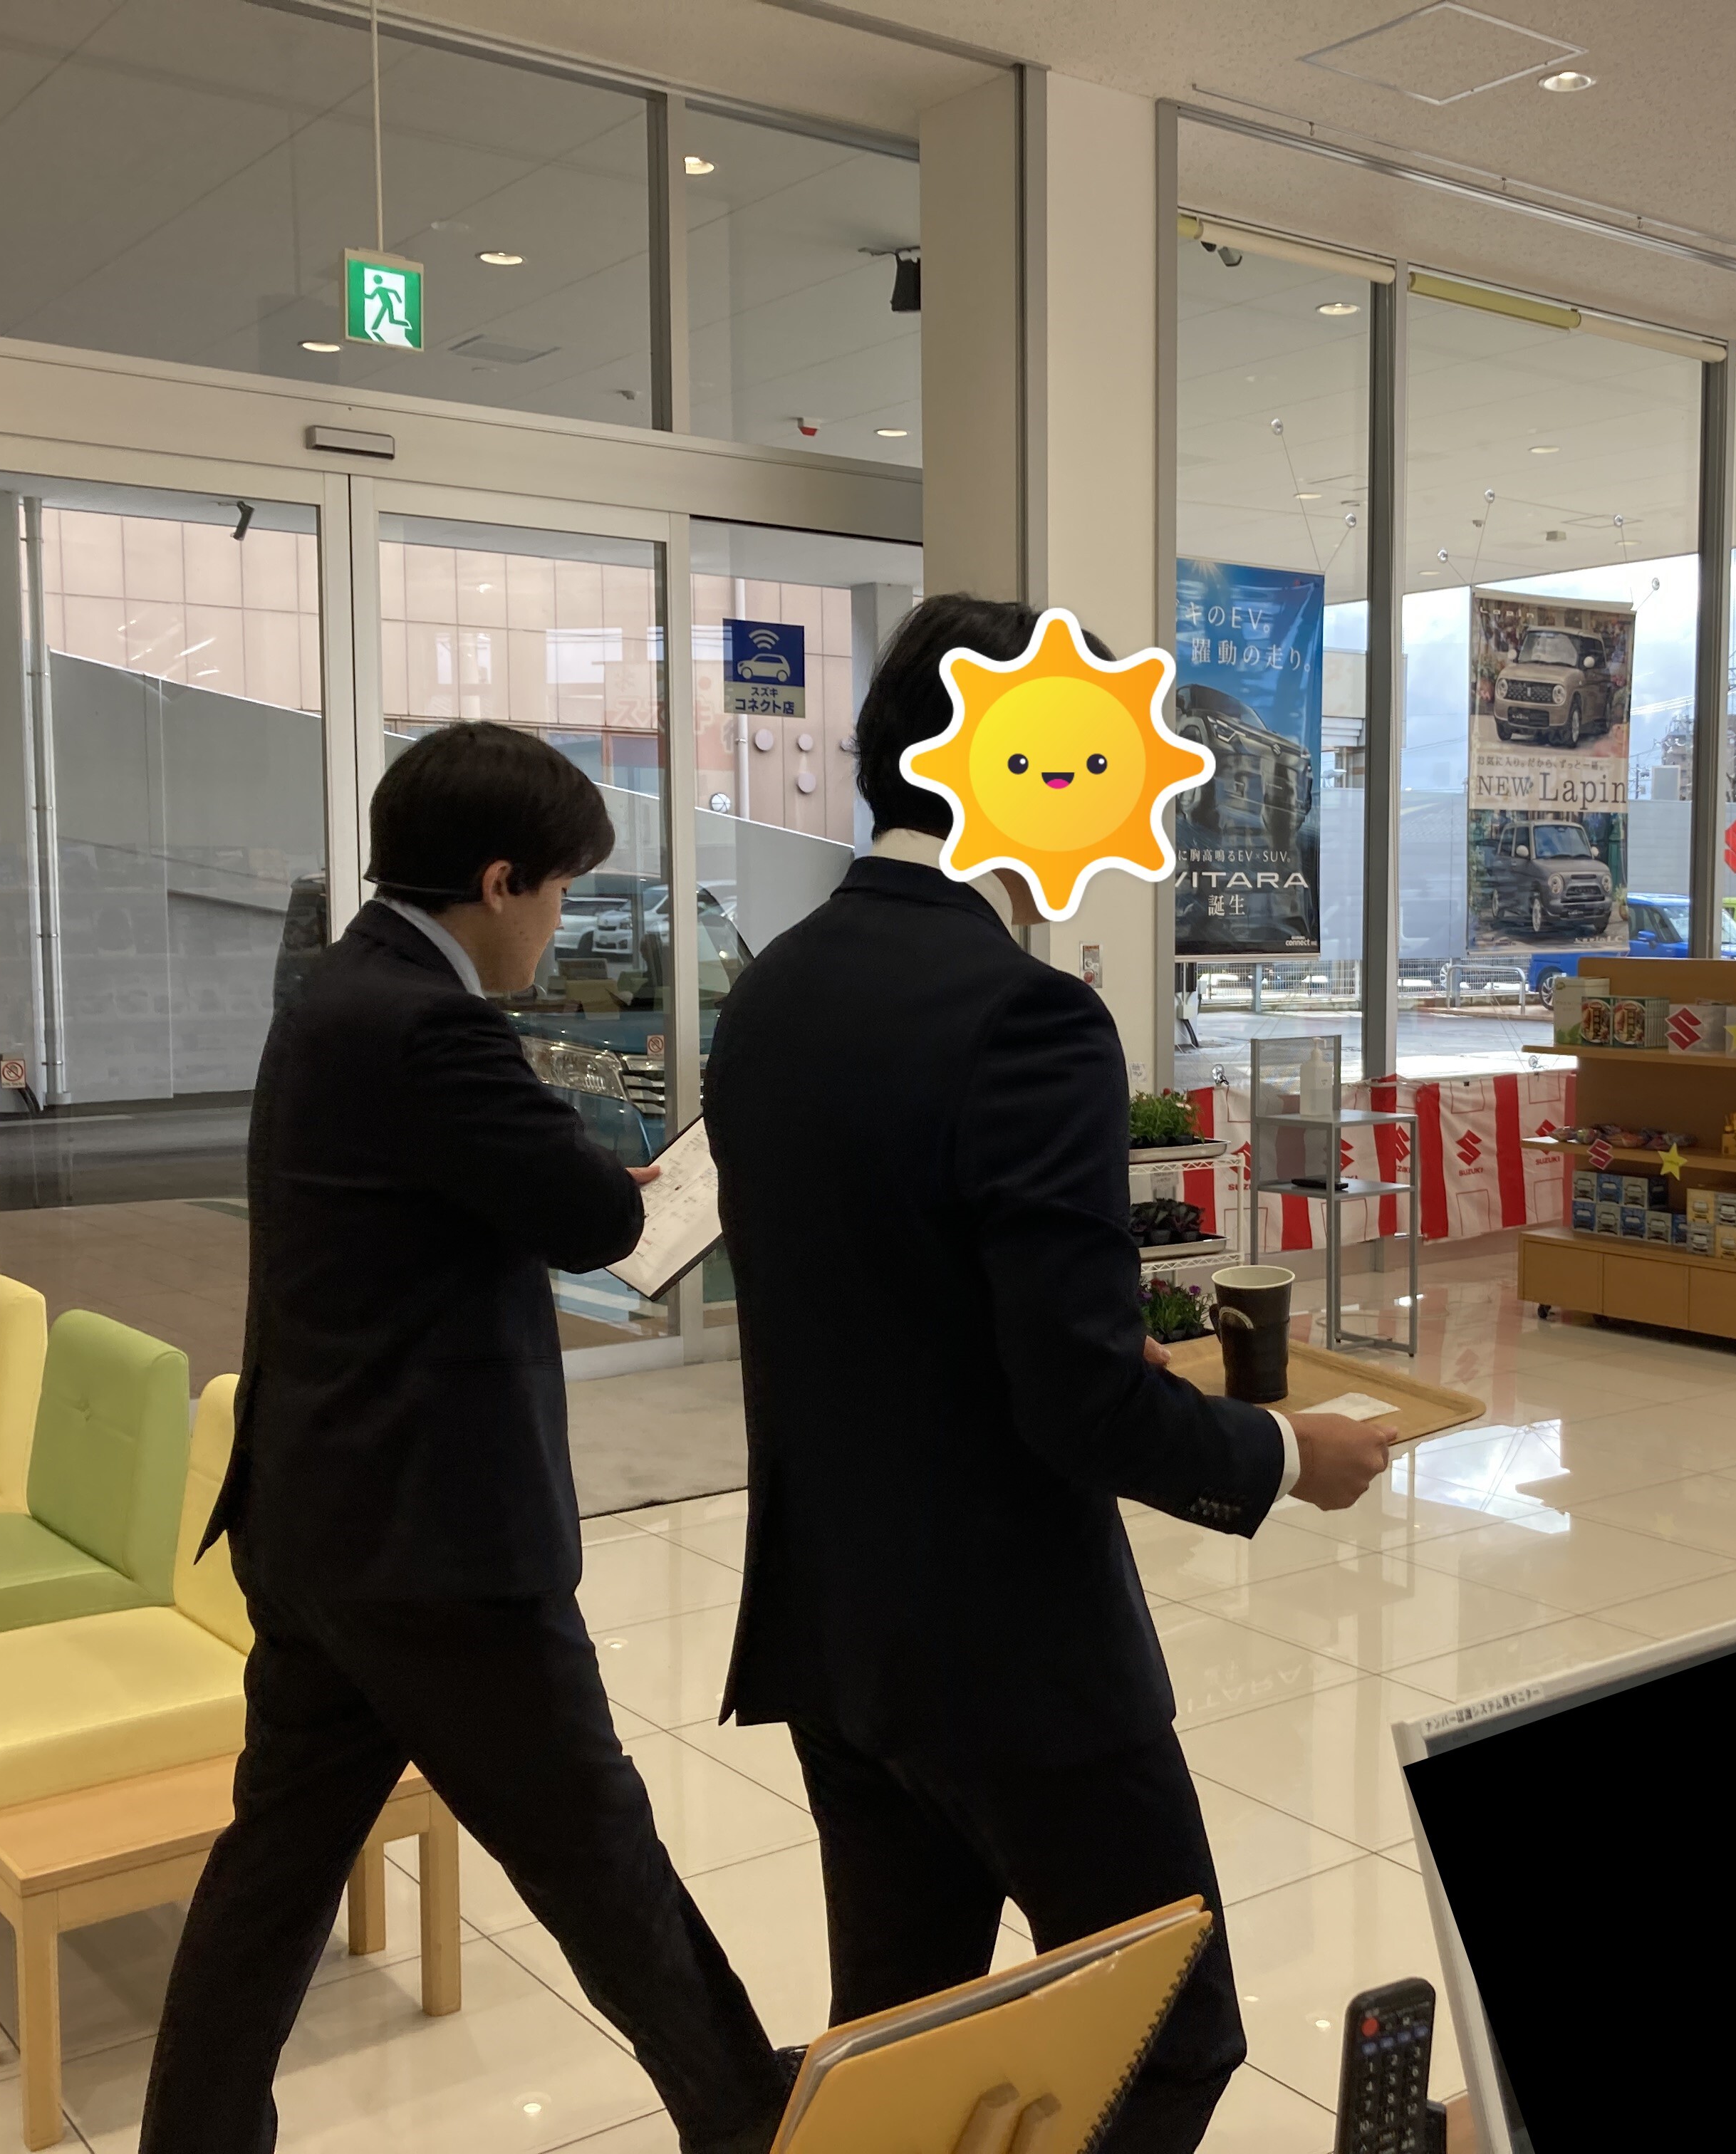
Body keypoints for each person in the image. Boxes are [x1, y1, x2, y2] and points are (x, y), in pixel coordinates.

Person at [705, 595, 1395, 2152]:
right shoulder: (1028, 1015)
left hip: (835, 1630)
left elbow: (884, 1300)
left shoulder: (774, 991)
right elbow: (1076, 1404)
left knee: (903, 2051)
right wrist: (1289, 1455)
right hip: (1010, 1650)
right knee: (1173, 2035)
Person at [143, 723, 789, 2154]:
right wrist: (601, 1178)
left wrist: (558, 1171)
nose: (556, 927)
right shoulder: (431, 1027)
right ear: (499, 881)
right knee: (596, 1852)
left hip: (316, 1519)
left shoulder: (337, 991)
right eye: (558, 892)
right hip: (433, 1551)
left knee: (276, 1868)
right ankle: (747, 2114)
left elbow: (467, 1196)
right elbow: (600, 1222)